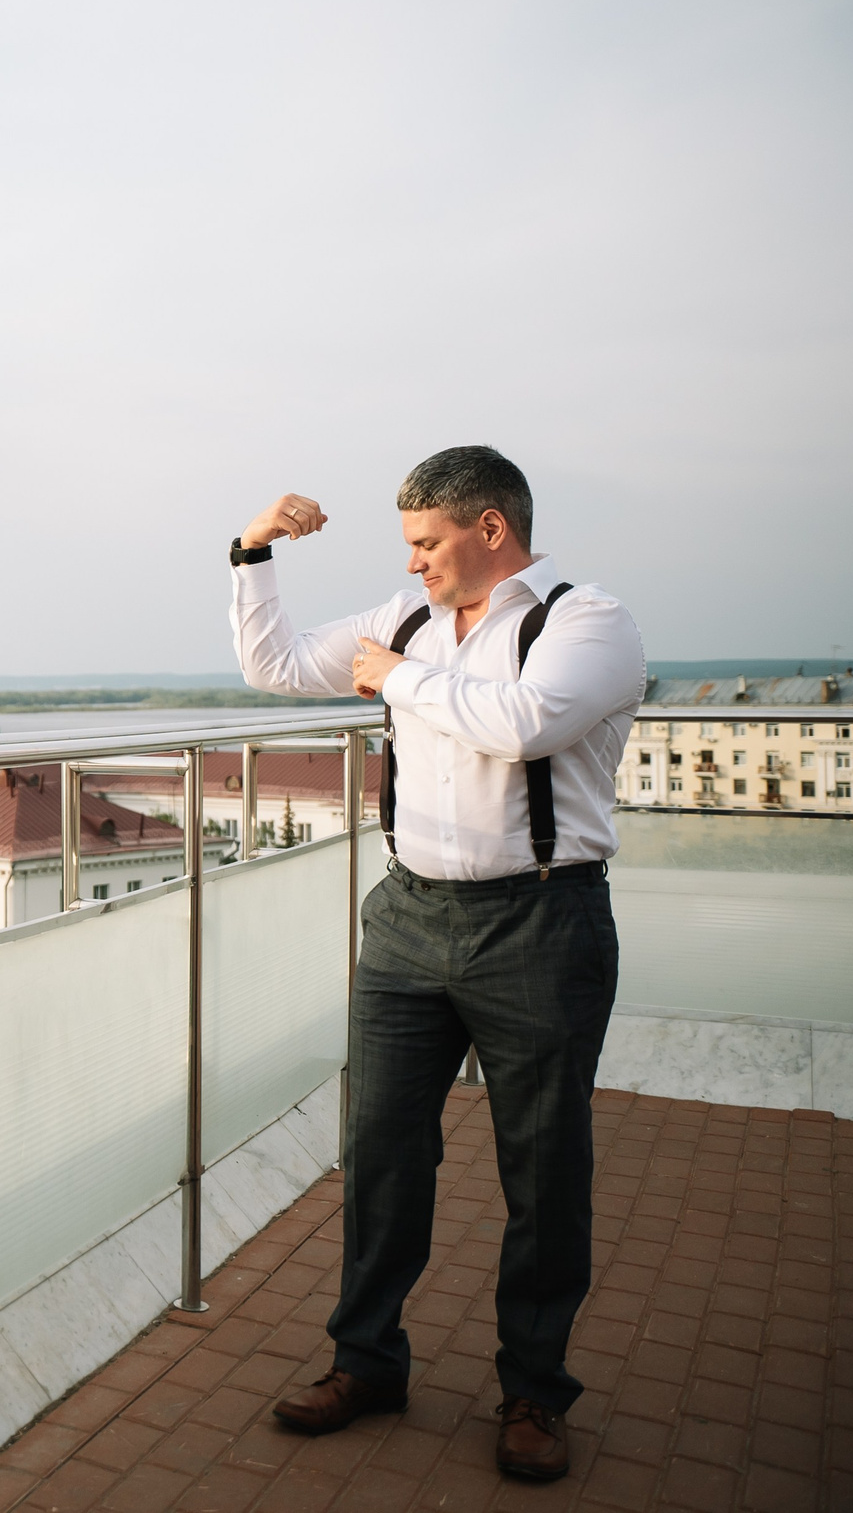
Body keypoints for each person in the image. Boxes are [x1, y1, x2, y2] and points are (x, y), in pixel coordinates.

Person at [228, 446, 643, 1484]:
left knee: (543, 1168)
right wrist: (252, 552)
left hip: (540, 923)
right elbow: (272, 667)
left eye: (425, 543)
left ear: (488, 530)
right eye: (406, 546)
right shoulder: (404, 622)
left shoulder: (585, 622)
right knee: (378, 1149)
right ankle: (366, 1361)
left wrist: (396, 678)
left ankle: (535, 1393)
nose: (411, 565)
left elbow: (526, 725)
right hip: (408, 921)